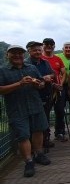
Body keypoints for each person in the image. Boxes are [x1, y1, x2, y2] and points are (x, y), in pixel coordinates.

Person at [0, 45, 51, 177]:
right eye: (14, 53)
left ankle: (39, 154)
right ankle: (28, 161)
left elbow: (41, 84)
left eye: (20, 53)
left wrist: (39, 84)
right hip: (16, 108)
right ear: (7, 55)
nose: (17, 55)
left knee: (38, 130)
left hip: (35, 104)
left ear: (24, 55)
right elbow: (1, 90)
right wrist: (19, 84)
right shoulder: (3, 70)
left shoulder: (31, 68)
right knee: (23, 135)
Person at [24, 41, 55, 150]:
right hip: (32, 97)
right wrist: (41, 79)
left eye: (39, 50)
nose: (37, 52)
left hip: (46, 95)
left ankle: (45, 141)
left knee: (44, 120)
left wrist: (48, 77)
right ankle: (35, 147)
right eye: (34, 50)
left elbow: (53, 74)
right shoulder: (25, 64)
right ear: (29, 51)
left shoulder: (45, 62)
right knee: (33, 123)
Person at [41, 38, 68, 142]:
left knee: (60, 111)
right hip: (46, 90)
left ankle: (59, 132)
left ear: (54, 46)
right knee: (45, 113)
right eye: (46, 44)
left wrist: (61, 84)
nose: (49, 46)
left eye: (51, 44)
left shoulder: (57, 59)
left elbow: (63, 72)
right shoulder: (41, 59)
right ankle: (45, 135)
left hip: (58, 90)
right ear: (43, 45)